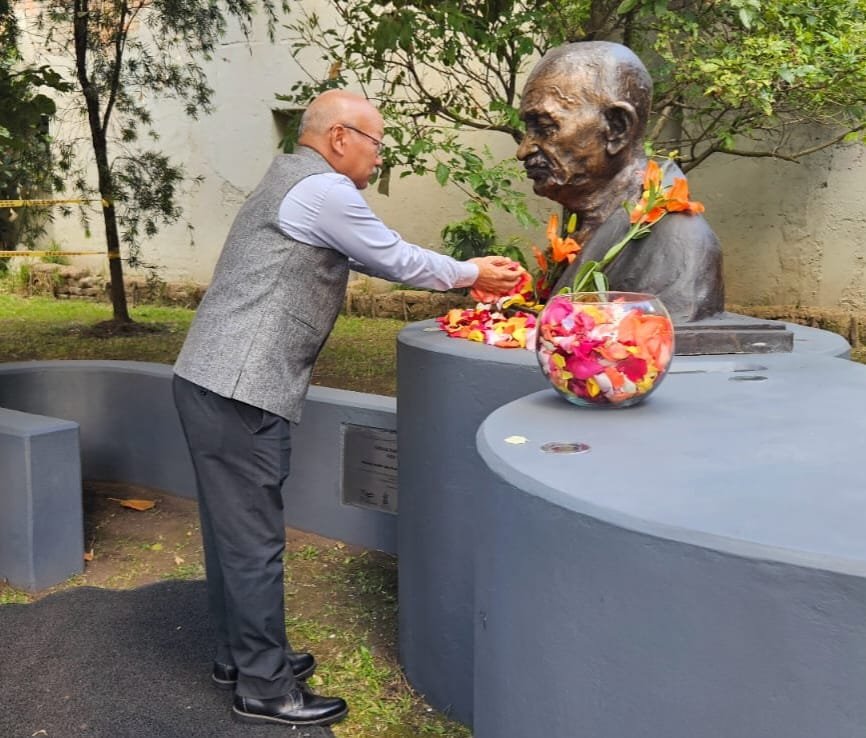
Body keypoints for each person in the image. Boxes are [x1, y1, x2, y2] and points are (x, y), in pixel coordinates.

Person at [172, 89, 521, 728]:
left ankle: (241, 657)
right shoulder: (324, 191)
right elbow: (392, 257)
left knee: (233, 536)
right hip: (238, 388)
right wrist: (471, 274)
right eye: (376, 143)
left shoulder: (290, 178)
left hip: (209, 380)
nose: (379, 156)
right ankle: (265, 690)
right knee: (252, 542)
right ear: (339, 138)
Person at [517, 41, 724, 323]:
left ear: (616, 128)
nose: (524, 150)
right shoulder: (587, 225)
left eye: (545, 127)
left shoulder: (681, 243)